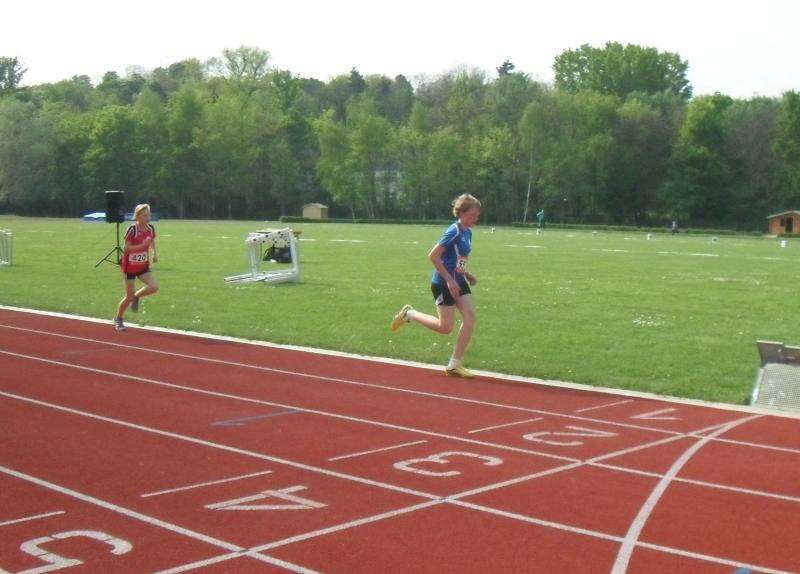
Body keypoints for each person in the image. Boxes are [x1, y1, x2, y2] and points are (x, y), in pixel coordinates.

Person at [390, 194, 481, 378]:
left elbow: (459, 258)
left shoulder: (468, 232)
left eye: (477, 215)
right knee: (445, 327)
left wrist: (466, 274)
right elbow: (433, 256)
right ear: (462, 213)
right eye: (473, 214)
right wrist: (449, 280)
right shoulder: (454, 231)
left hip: (459, 281)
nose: (476, 218)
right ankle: (409, 314)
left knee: (470, 317)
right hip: (443, 283)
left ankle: (454, 364)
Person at [113, 203, 159, 331]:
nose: (148, 218)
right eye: (145, 215)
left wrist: (154, 252)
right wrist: (141, 246)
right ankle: (118, 319)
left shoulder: (151, 228)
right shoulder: (132, 230)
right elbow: (126, 248)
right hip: (130, 267)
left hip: (143, 266)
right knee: (129, 297)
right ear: (137, 216)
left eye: (149, 215)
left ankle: (137, 296)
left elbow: (152, 240)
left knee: (154, 287)